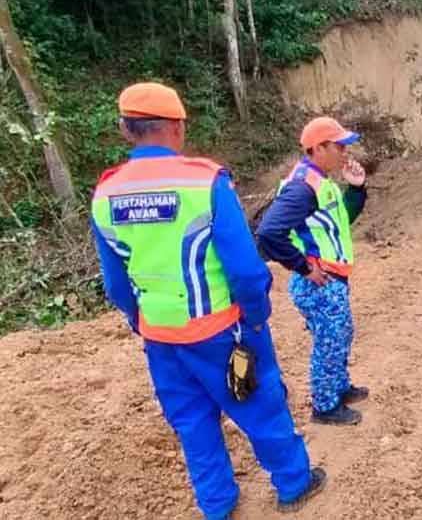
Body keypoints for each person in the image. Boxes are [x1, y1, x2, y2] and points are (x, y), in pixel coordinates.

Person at [90, 82, 325, 519]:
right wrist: (256, 317)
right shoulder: (203, 181)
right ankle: (294, 483)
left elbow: (116, 284)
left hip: (160, 339)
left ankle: (217, 505)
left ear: (126, 130)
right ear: (177, 128)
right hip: (222, 333)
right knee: (258, 403)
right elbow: (246, 271)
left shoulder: (106, 194)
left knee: (192, 422)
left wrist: (140, 320)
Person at [257, 116, 369, 426]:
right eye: (339, 146)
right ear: (318, 148)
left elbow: (339, 221)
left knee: (340, 336)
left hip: (331, 279)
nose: (345, 152)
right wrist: (303, 267)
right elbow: (268, 232)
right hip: (320, 282)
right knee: (329, 342)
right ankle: (325, 406)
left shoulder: (320, 182)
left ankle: (339, 387)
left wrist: (357, 190)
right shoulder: (302, 187)